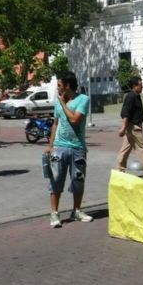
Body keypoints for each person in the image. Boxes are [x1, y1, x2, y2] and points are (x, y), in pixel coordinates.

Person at [46, 72, 92, 228]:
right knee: (55, 180)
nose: (57, 88)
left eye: (59, 85)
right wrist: (50, 146)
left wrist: (63, 103)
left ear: (67, 86)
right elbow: (55, 124)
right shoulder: (58, 102)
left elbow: (74, 119)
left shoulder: (83, 100)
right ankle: (54, 213)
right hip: (59, 147)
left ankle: (77, 210)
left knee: (78, 179)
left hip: (77, 147)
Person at [116, 77, 143, 177]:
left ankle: (119, 171)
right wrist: (123, 128)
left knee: (125, 149)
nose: (142, 87)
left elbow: (140, 115)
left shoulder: (136, 96)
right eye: (140, 85)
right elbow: (125, 113)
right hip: (134, 128)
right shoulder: (131, 96)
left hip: (133, 127)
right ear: (134, 86)